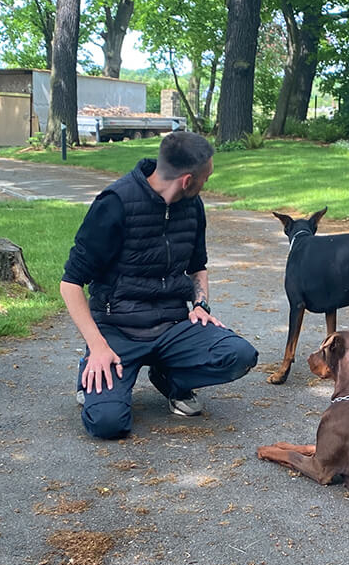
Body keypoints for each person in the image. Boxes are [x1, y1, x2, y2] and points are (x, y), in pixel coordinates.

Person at [60, 131, 258, 439]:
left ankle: (170, 378)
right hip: (118, 330)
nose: (207, 184)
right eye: (206, 178)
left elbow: (197, 267)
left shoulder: (193, 207)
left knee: (239, 355)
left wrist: (201, 306)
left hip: (172, 326)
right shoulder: (114, 204)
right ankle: (93, 369)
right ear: (186, 179)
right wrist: (98, 346)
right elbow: (70, 284)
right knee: (107, 424)